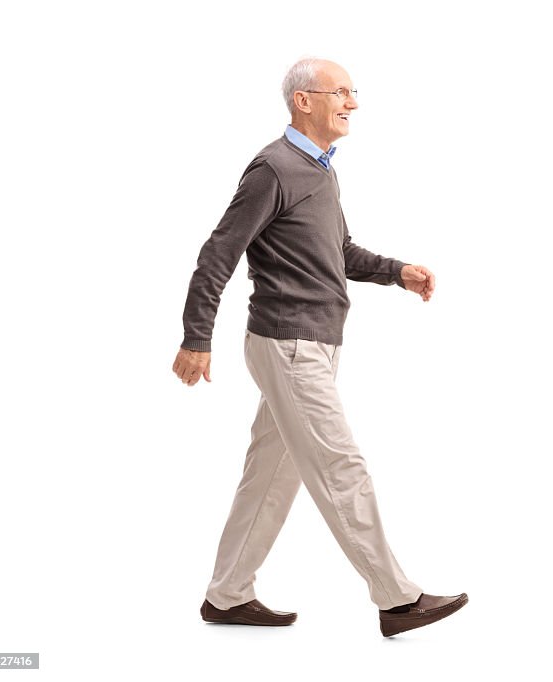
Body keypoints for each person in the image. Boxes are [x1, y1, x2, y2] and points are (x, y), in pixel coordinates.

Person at [171, 56, 467, 637]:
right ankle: (397, 599)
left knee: (271, 476)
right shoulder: (274, 168)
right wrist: (196, 336)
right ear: (303, 100)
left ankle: (227, 595)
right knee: (341, 466)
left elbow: (341, 251)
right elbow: (219, 252)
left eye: (353, 92)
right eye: (341, 92)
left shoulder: (320, 169)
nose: (352, 102)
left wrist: (398, 271)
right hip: (289, 345)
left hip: (312, 345)